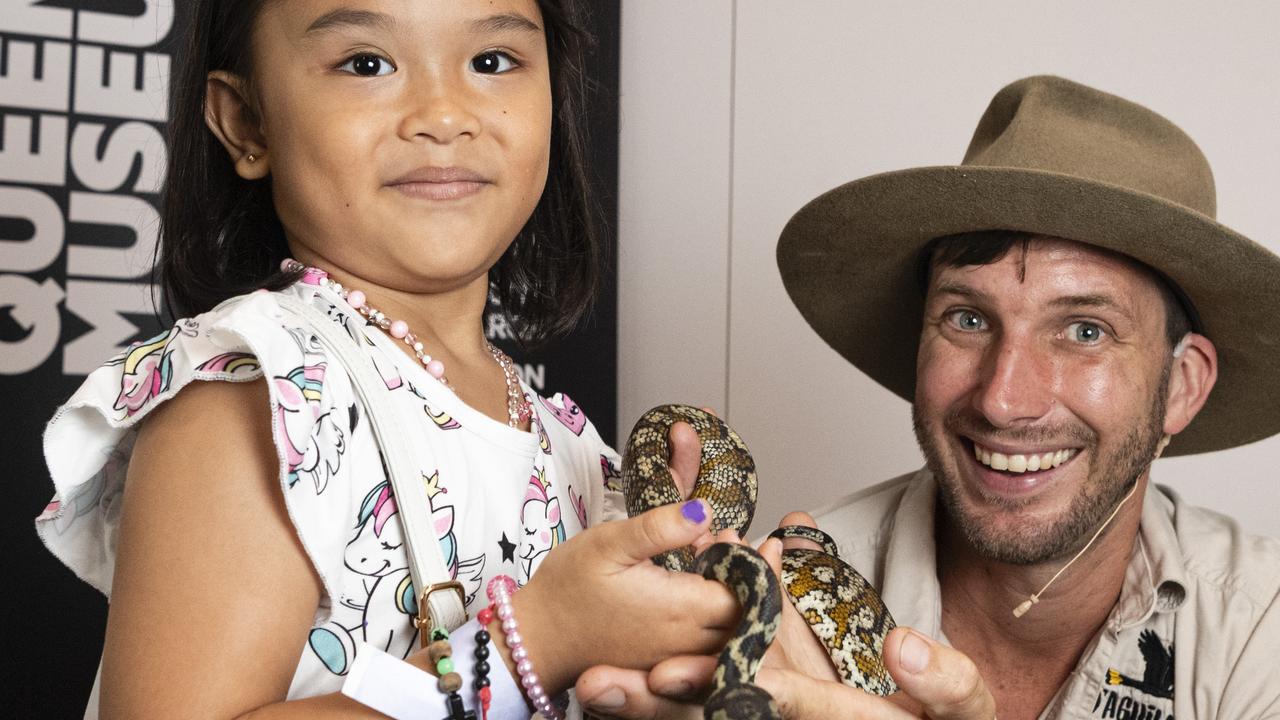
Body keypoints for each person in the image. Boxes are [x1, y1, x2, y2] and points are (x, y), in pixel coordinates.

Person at [34, 1, 745, 718]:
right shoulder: (256, 402)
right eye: (366, 64)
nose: (443, 114)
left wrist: (678, 599)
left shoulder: (569, 444)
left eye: (493, 62)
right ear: (247, 122)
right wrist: (536, 637)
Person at [576, 76, 1280, 719]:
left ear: (1182, 387)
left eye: (1085, 330)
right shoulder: (767, 603)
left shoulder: (1260, 630)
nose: (1004, 400)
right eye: (967, 319)